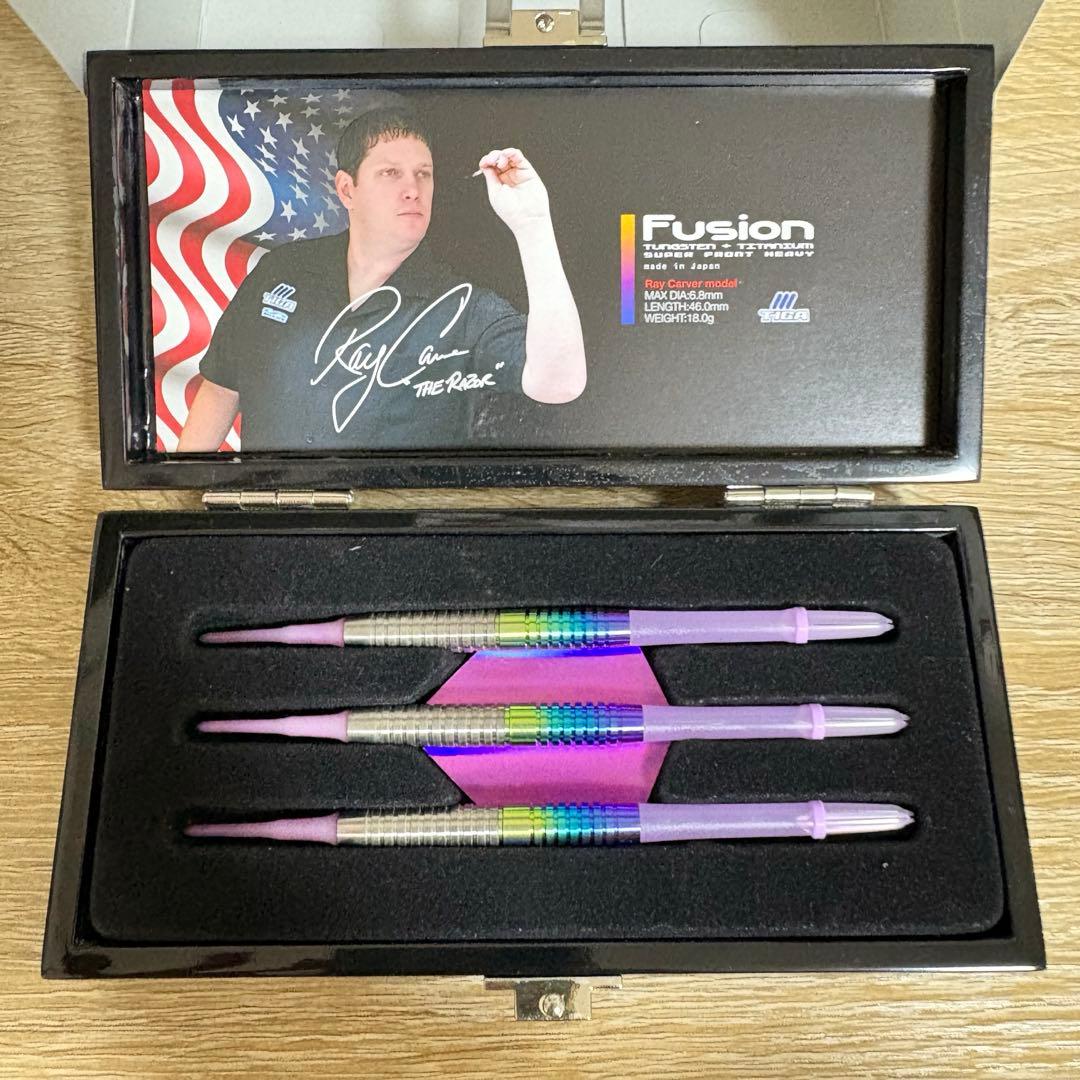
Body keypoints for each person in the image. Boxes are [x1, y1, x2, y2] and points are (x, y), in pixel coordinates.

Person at [177, 107, 586, 451]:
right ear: (347, 189)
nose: (413, 189)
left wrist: (533, 224)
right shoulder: (281, 272)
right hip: (271, 517)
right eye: (391, 173)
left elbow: (560, 383)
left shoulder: (462, 306)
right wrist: (181, 502)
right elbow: (221, 388)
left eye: (423, 174)